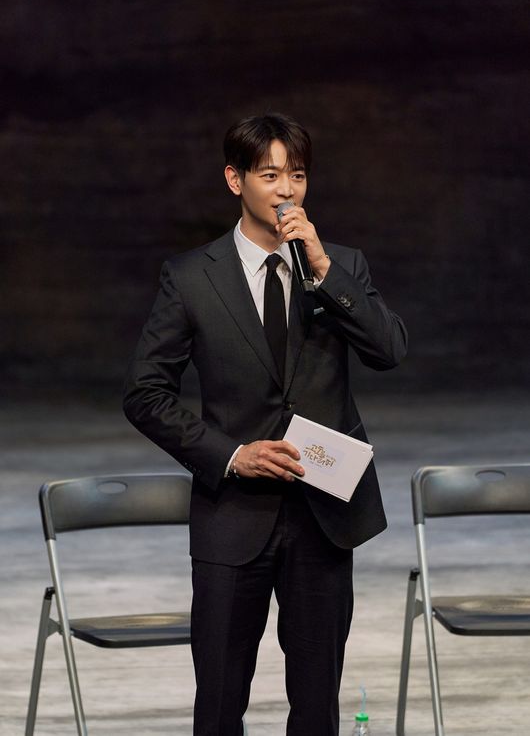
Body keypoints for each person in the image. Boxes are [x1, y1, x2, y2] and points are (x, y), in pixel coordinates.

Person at [123, 113, 407, 736]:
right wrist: (231, 455)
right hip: (233, 517)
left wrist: (325, 270)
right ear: (236, 180)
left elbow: (389, 350)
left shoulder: (337, 265)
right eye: (271, 175)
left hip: (323, 516)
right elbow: (145, 394)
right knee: (220, 703)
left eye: (297, 175)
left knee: (317, 707)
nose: (287, 191)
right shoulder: (192, 277)